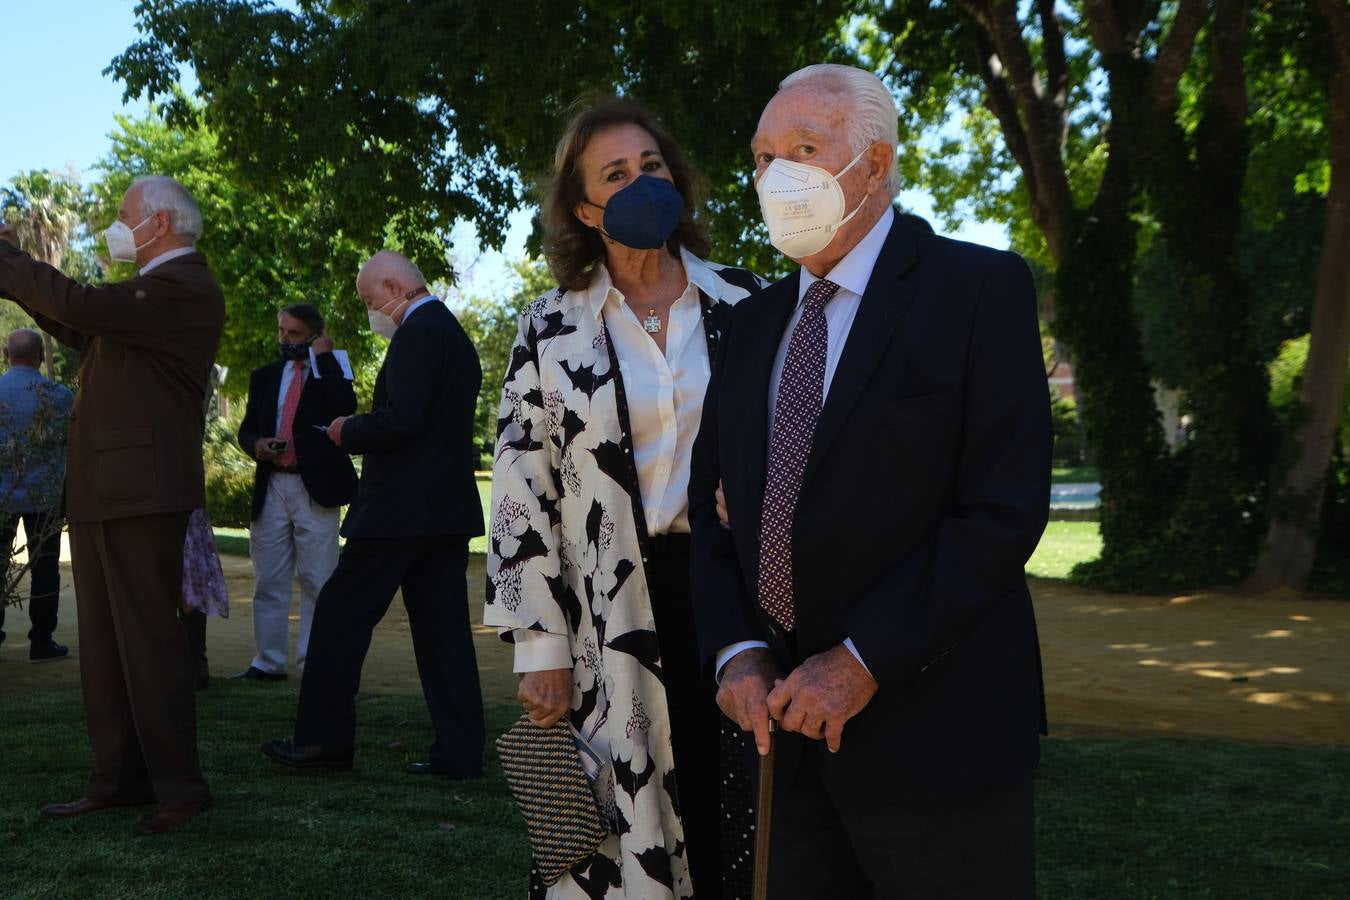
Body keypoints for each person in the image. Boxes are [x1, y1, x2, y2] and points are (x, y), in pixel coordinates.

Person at [688, 64, 1051, 898]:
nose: (778, 175)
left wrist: (858, 661)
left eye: (805, 149)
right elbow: (715, 514)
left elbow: (1000, 512)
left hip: (938, 740)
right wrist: (737, 653)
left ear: (875, 162)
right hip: (786, 741)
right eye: (763, 156)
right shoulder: (749, 326)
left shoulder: (979, 291)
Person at [483, 97, 764, 899]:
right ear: (583, 207)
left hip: (735, 600)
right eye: (616, 174)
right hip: (603, 613)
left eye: (651, 165)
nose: (642, 182)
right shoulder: (549, 328)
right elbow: (519, 487)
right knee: (605, 831)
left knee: (729, 809)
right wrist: (538, 649)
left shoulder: (749, 304)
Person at [0, 175, 225, 835]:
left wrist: (9, 261)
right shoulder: (146, 300)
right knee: (104, 645)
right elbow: (78, 319)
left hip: (142, 491)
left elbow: (84, 306)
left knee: (150, 643)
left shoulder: (183, 287)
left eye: (125, 217)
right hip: (108, 489)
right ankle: (118, 778)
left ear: (159, 224)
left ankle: (180, 788)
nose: (116, 228)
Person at [260, 251, 486, 779]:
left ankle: (322, 741)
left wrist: (347, 430)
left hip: (397, 510)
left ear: (393, 285)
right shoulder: (451, 332)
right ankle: (459, 753)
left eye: (368, 300)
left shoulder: (416, 334)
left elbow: (400, 421)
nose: (369, 311)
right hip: (445, 511)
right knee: (444, 635)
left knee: (339, 616)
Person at [234, 304, 357, 681]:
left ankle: (314, 664)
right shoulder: (265, 377)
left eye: (294, 333)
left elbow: (346, 408)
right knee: (268, 578)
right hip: (272, 483)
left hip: (314, 487)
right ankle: (268, 662)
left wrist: (326, 360)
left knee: (318, 579)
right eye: (281, 331)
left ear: (316, 335)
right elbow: (246, 430)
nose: (284, 339)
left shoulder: (332, 370)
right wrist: (256, 444)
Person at [0, 328, 73, 662]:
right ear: (41, 357)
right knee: (45, 569)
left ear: (6, 354)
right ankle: (41, 640)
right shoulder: (58, 396)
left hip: (1, 494)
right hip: (44, 495)